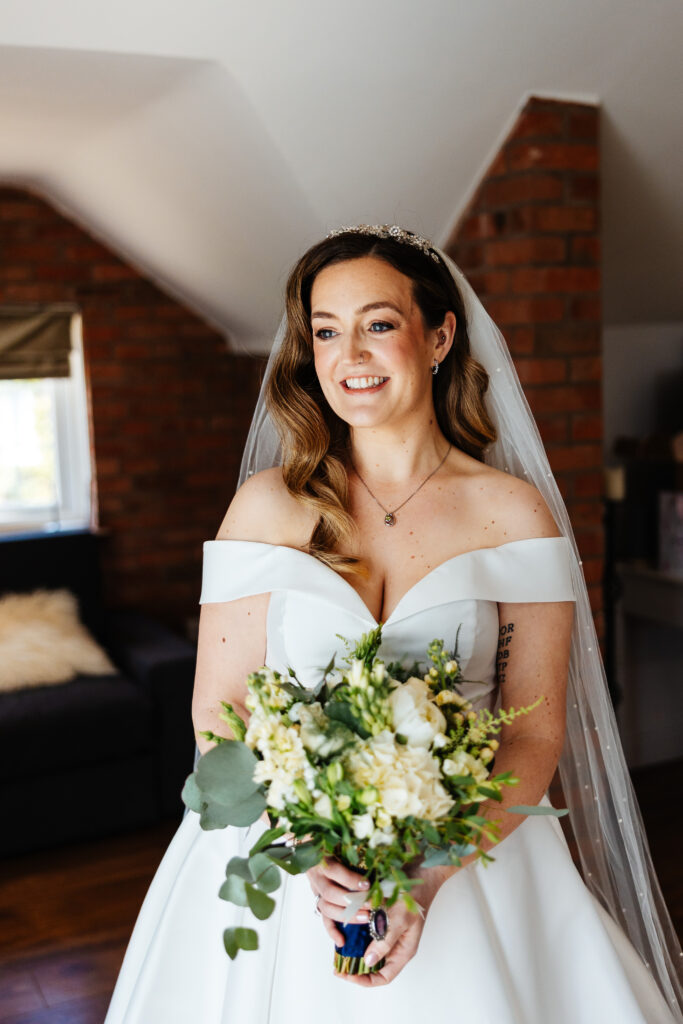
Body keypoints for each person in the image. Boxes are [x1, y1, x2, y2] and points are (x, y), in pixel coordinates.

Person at [105, 226, 682, 1023]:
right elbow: (219, 711)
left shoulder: (511, 512)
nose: (351, 356)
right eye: (326, 331)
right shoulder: (265, 508)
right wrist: (301, 847)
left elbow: (532, 734)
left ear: (439, 335)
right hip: (283, 865)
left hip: (469, 861)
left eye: (378, 324)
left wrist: (429, 873)